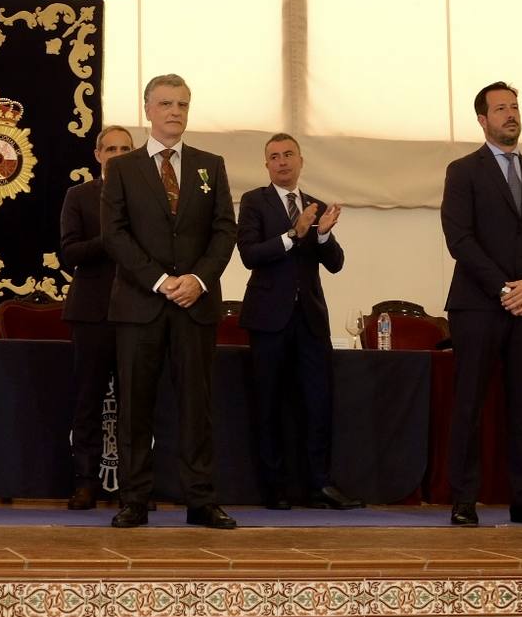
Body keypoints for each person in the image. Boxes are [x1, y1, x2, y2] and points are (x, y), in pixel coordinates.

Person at [101, 73, 238, 529]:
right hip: (140, 307)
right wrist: (161, 280)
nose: (175, 111)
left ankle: (200, 499)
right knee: (136, 408)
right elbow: (114, 234)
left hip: (196, 306)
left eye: (182, 104)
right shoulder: (122, 168)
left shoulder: (210, 165)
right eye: (165, 104)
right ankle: (135, 500)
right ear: (148, 110)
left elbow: (224, 231)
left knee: (197, 408)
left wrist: (198, 278)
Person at [440, 82, 522, 527]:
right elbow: (459, 238)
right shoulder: (463, 171)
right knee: (470, 403)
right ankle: (463, 498)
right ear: (482, 119)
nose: (510, 114)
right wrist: (504, 287)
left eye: (514, 107)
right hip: (478, 305)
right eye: (500, 109)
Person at [237, 133, 362, 511]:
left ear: (301, 160)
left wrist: (322, 234)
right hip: (268, 318)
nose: (282, 162)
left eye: (288, 154)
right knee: (269, 403)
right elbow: (250, 254)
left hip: (309, 319)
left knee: (318, 402)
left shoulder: (315, 205)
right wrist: (295, 234)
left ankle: (320, 484)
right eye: (273, 157)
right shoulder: (254, 201)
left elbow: (336, 263)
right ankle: (274, 487)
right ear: (266, 165)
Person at [61, 125, 135, 510]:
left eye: (125, 148)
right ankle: (85, 482)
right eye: (111, 149)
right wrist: (111, 239)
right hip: (91, 312)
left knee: (133, 403)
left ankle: (133, 485)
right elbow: (69, 252)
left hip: (136, 314)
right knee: (87, 401)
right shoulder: (80, 196)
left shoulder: (148, 198)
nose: (117, 154)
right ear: (98, 154)